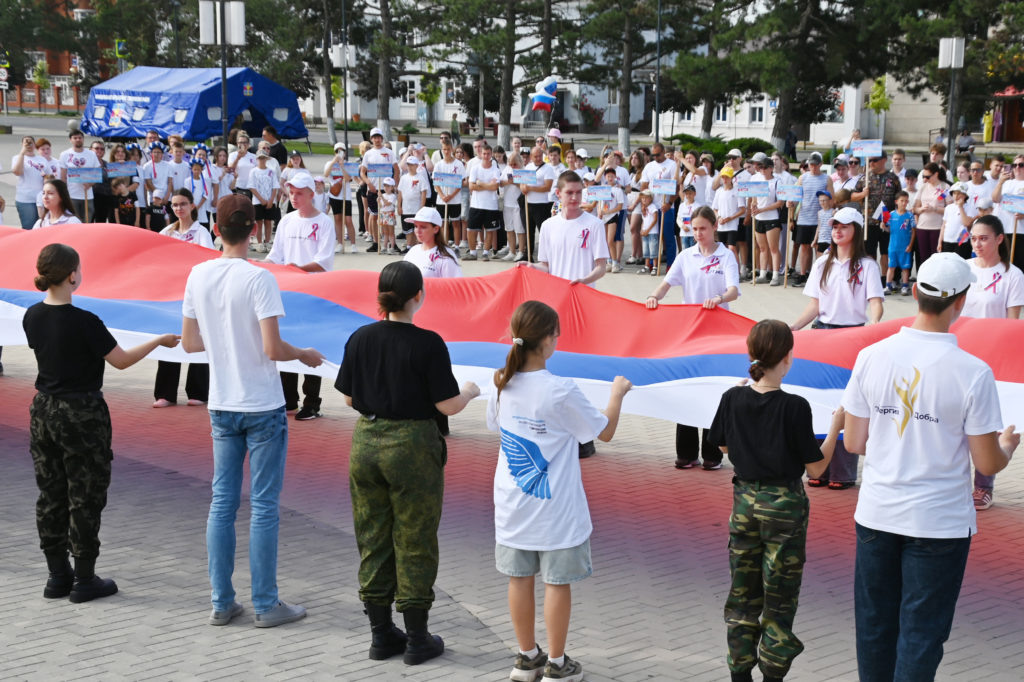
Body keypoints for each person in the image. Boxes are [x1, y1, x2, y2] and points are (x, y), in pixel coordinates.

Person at [842, 252, 1019, 681]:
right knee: (921, 636)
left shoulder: (871, 356)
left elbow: (854, 443)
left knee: (874, 629)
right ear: (960, 302)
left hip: (878, 514)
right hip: (939, 524)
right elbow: (986, 461)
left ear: (915, 291)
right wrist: (1007, 447)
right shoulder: (973, 372)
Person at [181, 194, 322, 628]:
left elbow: (189, 343)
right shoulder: (260, 278)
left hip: (222, 402)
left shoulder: (198, 274)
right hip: (261, 403)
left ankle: (221, 601)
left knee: (222, 503)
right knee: (263, 506)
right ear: (255, 230)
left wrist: (223, 340)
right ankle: (265, 603)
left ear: (216, 229)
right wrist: (304, 354)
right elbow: (272, 348)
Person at [336, 261, 479, 665]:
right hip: (413, 447)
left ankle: (381, 633)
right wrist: (470, 392)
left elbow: (348, 398)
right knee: (415, 537)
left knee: (372, 535)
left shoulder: (360, 337)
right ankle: (417, 637)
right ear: (419, 296)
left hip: (366, 443)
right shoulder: (428, 343)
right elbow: (446, 405)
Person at [25, 243, 179, 603]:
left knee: (51, 493)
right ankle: (84, 578)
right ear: (72, 275)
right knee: (85, 494)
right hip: (82, 413)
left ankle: (57, 575)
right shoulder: (85, 321)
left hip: (43, 410)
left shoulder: (31, 315)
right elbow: (121, 361)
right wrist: (158, 341)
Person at [487, 300, 631, 682]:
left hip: (512, 503)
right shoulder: (560, 390)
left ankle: (526, 658)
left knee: (518, 578)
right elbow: (604, 431)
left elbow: (496, 426)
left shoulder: (500, 380)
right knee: (556, 582)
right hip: (555, 508)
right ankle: (556, 663)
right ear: (549, 340)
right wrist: (618, 393)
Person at [708, 320, 845, 682]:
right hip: (784, 507)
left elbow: (721, 446)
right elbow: (816, 468)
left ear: (751, 354)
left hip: (744, 503)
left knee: (742, 594)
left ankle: (739, 672)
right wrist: (836, 427)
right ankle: (772, 673)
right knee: (779, 597)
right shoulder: (794, 406)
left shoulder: (732, 397)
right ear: (787, 357)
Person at [792, 207, 884, 491]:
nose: (837, 231)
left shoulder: (867, 265)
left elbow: (876, 302)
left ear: (856, 230)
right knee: (818, 401)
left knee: (846, 404)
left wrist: (874, 325)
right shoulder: (822, 263)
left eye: (844, 226)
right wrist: (794, 327)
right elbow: (815, 305)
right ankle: (817, 466)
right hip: (822, 335)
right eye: (834, 226)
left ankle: (842, 472)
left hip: (853, 337)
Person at [646, 205, 741, 471]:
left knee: (712, 389)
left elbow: (734, 290)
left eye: (703, 229)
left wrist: (719, 298)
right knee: (687, 387)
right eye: (695, 229)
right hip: (690, 331)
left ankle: (712, 453)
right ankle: (686, 452)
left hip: (718, 332)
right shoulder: (686, 255)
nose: (698, 233)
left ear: (714, 227)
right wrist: (654, 296)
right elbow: (667, 283)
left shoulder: (726, 256)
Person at [962, 214, 1024, 511]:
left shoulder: (1012, 275)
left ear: (1000, 239)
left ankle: (983, 487)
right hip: (960, 355)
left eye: (984, 238)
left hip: (992, 360)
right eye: (973, 238)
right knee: (956, 421)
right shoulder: (962, 269)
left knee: (988, 424)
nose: (977, 244)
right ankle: (954, 482)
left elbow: (1012, 324)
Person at [265, 174, 336, 421]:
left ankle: (312, 402)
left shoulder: (324, 222)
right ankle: (288, 399)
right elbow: (275, 255)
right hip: (288, 292)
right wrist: (258, 265)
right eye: (291, 193)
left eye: (299, 193)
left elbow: (324, 261)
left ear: (311, 194)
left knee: (310, 346)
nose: (294, 197)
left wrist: (298, 269)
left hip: (313, 294)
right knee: (288, 342)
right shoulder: (287, 221)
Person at [153, 189, 215, 409]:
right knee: (170, 339)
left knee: (197, 337)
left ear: (192, 206)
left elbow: (208, 260)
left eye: (183, 204)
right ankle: (165, 393)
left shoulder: (201, 232)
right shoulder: (167, 231)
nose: (179, 208)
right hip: (171, 294)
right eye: (175, 205)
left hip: (196, 293)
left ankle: (198, 391)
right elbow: (156, 258)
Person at [788, 152, 833, 287]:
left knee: (818, 248)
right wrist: (791, 209)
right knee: (804, 246)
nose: (812, 167)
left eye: (815, 164)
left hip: (819, 219)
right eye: (810, 164)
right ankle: (803, 274)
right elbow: (795, 197)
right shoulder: (803, 178)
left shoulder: (826, 179)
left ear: (820, 164)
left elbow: (832, 198)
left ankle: (817, 275)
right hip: (804, 217)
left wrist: (828, 212)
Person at [749, 152, 783, 286]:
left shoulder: (777, 181)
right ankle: (762, 274)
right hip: (759, 217)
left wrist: (762, 209)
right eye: (760, 167)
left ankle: (775, 275)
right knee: (762, 248)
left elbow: (779, 203)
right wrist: (753, 205)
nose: (762, 170)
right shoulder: (757, 179)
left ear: (771, 168)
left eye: (764, 167)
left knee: (773, 248)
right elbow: (754, 197)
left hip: (772, 217)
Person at [12, 135, 58, 229]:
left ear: (34, 144)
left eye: (31, 143)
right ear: (22, 145)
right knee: (29, 227)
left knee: (44, 226)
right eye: (26, 143)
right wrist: (22, 153)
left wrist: (46, 178)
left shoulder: (42, 159)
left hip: (42, 198)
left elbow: (50, 177)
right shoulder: (17, 158)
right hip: (25, 199)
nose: (29, 145)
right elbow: (17, 172)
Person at [404, 207, 462, 279]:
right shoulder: (413, 251)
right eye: (416, 226)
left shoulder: (445, 256)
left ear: (436, 229)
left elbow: (454, 283)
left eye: (423, 227)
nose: (418, 231)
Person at [58, 129, 101, 222]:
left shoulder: (91, 154)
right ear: (71, 140)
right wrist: (64, 194)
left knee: (87, 222)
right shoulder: (64, 154)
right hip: (72, 195)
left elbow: (97, 173)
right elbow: (63, 177)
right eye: (75, 138)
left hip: (87, 196)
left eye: (80, 138)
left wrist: (89, 184)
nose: (78, 139)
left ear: (83, 139)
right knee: (74, 222)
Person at [913, 162, 950, 264]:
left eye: (928, 177)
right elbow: (915, 208)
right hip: (922, 226)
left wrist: (934, 209)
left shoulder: (944, 187)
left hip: (937, 227)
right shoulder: (923, 187)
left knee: (936, 257)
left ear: (936, 174)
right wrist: (921, 209)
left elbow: (950, 209)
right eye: (923, 176)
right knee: (923, 257)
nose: (925, 179)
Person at [885, 191, 916, 296]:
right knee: (891, 267)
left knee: (905, 268)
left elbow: (913, 231)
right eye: (902, 200)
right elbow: (889, 230)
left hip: (905, 246)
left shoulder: (910, 215)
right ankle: (888, 286)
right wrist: (883, 226)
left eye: (906, 201)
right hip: (893, 246)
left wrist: (910, 245)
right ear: (896, 202)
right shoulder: (891, 215)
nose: (904, 203)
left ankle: (905, 286)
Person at [939, 183, 973, 258]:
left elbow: (966, 223)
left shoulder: (969, 207)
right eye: (954, 193)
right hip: (947, 240)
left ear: (965, 195)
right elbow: (944, 225)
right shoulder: (948, 207)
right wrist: (940, 242)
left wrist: (960, 207)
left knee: (960, 261)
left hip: (962, 241)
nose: (956, 196)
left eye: (959, 193)